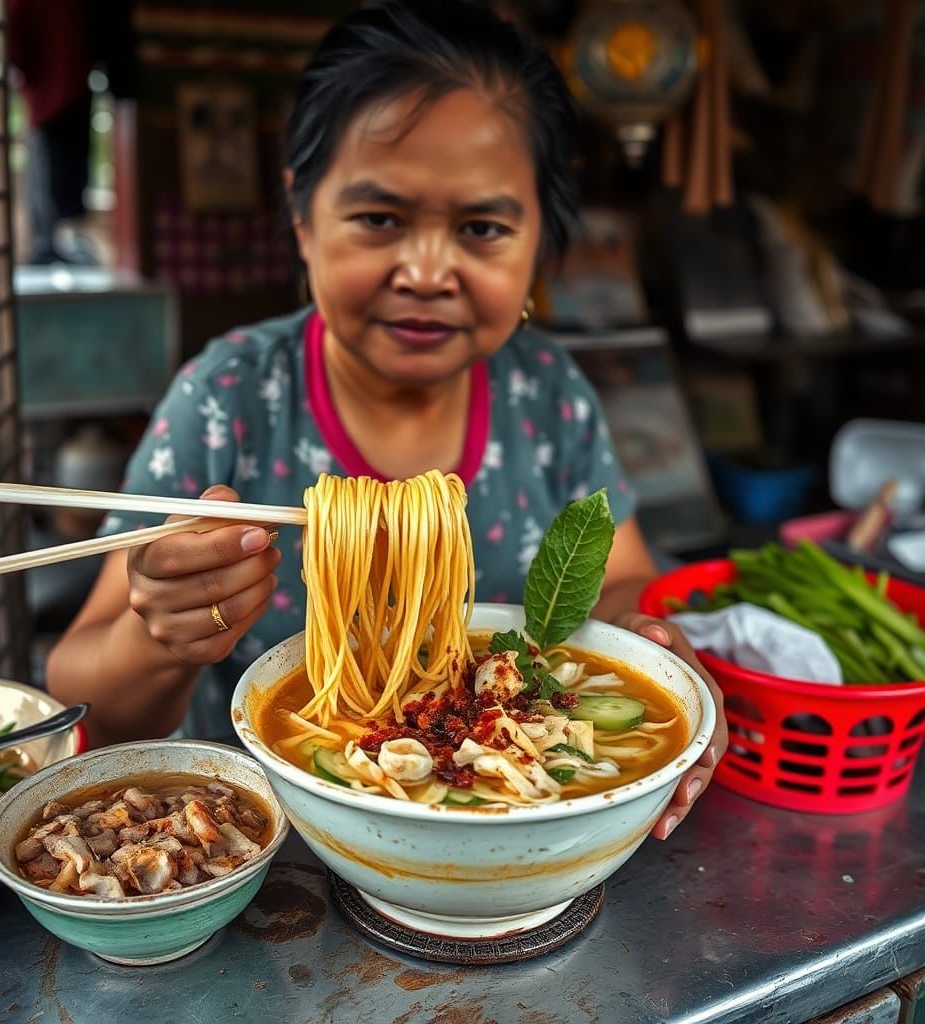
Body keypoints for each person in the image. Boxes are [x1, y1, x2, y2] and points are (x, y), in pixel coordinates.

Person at [47, 0, 727, 841]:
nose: (427, 270)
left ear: (538, 241)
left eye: (482, 227)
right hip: (256, 847)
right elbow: (78, 692)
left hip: (517, 837)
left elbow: (621, 578)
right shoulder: (229, 398)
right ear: (302, 215)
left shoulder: (548, 393)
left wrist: (653, 649)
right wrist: (161, 633)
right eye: (380, 219)